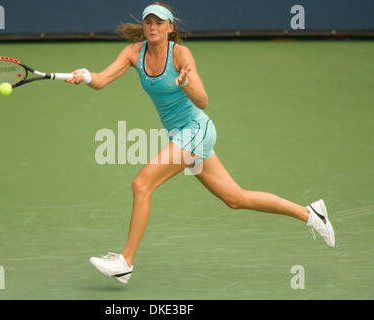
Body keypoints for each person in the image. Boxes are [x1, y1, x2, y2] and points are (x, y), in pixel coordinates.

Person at [65, 2, 335, 284]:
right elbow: (102, 79)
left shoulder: (181, 54)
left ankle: (125, 261)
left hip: (196, 130)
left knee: (142, 184)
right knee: (235, 198)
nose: (153, 27)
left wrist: (186, 83)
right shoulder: (134, 53)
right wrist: (84, 76)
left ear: (170, 27)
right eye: (149, 23)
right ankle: (310, 214)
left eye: (159, 23)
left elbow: (203, 100)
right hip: (182, 135)